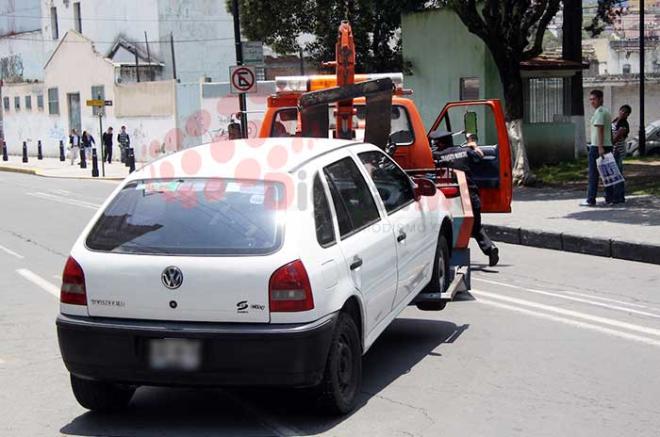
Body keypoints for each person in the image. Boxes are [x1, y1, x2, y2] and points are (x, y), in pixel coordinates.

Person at [430, 129, 499, 267]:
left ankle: (451, 257)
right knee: (476, 226)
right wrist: (472, 144)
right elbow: (480, 156)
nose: (435, 145)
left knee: (451, 227)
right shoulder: (465, 151)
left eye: (436, 143)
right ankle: (490, 248)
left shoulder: (438, 155)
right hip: (472, 195)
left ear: (441, 144)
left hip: (454, 198)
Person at [581, 89, 614, 206]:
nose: (592, 102)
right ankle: (610, 198)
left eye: (594, 99)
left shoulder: (600, 112)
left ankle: (591, 199)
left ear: (601, 99)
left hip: (598, 147)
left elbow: (600, 129)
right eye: (590, 99)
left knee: (593, 174)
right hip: (606, 145)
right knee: (607, 173)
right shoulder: (605, 111)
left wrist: (600, 147)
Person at [611, 104, 631, 204]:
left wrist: (608, 145)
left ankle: (619, 196)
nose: (623, 112)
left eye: (625, 112)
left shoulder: (624, 125)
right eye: (622, 110)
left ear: (628, 115)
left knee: (617, 174)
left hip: (617, 151)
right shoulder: (615, 120)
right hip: (613, 151)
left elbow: (616, 138)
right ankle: (618, 196)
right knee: (615, 173)